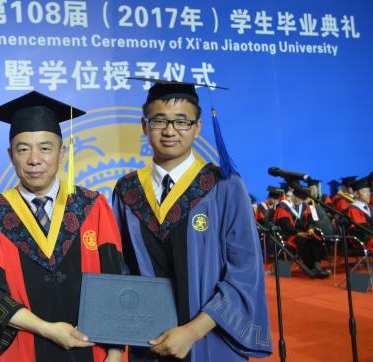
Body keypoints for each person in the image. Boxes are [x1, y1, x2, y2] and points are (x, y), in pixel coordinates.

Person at [112, 80, 272, 361]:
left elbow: (245, 271)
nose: (170, 130)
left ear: (198, 127)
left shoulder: (224, 186)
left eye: (182, 122)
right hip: (149, 341)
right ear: (144, 125)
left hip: (210, 338)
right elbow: (120, 268)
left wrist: (192, 331)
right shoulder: (127, 190)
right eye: (159, 120)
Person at [0, 91, 124, 362]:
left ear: (62, 153)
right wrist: (48, 329)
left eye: (45, 148)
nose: (34, 159)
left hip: (92, 350)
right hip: (23, 350)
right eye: (23, 149)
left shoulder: (92, 206)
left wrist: (116, 351)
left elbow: (116, 282)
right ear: (10, 155)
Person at [274, 186, 329, 279]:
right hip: (290, 234)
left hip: (304, 233)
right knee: (303, 241)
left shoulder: (305, 206)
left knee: (316, 238)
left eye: (301, 199)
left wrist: (311, 228)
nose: (298, 200)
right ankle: (309, 267)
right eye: (297, 197)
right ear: (293, 195)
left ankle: (317, 266)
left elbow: (311, 220)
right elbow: (285, 225)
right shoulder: (283, 206)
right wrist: (297, 232)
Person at [345, 177, 372, 250]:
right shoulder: (353, 209)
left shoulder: (370, 207)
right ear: (356, 194)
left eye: (369, 191)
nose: (368, 194)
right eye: (364, 191)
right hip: (365, 242)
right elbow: (363, 231)